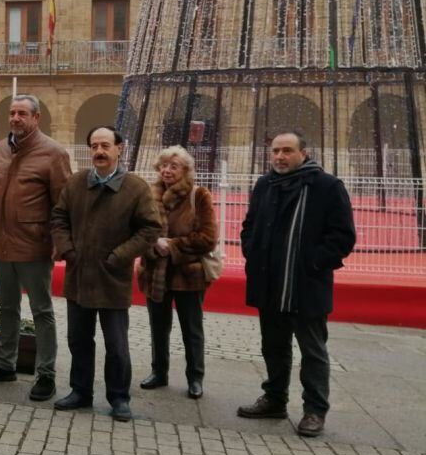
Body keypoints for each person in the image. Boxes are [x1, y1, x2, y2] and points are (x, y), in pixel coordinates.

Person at [237, 131, 355, 437]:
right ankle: (275, 399)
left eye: (287, 150)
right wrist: (251, 250)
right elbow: (249, 224)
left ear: (304, 152)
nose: (279, 156)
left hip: (305, 284)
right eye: (275, 151)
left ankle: (315, 409)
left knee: (312, 351)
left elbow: (343, 236)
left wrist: (312, 262)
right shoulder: (265, 184)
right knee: (273, 347)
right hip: (269, 282)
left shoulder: (327, 186)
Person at [50, 126, 161, 421]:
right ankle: (80, 391)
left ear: (119, 148)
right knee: (78, 339)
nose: (99, 151)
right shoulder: (75, 183)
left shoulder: (135, 188)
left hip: (113, 278)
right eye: (94, 146)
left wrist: (119, 256)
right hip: (79, 275)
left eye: (105, 146)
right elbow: (59, 217)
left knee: (116, 345)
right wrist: (68, 250)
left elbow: (151, 228)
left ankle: (119, 397)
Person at [0, 95, 72, 402]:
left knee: (41, 311)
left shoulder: (54, 153)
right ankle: (5, 364)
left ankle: (46, 374)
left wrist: (59, 243)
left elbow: (64, 204)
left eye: (22, 113)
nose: (15, 118)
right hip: (1, 244)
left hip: (34, 246)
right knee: (6, 307)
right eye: (12, 113)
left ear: (36, 117)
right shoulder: (0, 150)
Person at [136, 146, 217, 400]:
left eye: (174, 166)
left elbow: (207, 239)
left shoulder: (198, 196)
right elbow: (138, 231)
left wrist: (171, 246)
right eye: (163, 166)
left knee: (191, 328)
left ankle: (195, 377)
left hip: (188, 274)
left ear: (186, 170)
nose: (167, 170)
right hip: (154, 272)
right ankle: (159, 372)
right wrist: (151, 246)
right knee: (158, 327)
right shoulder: (149, 196)